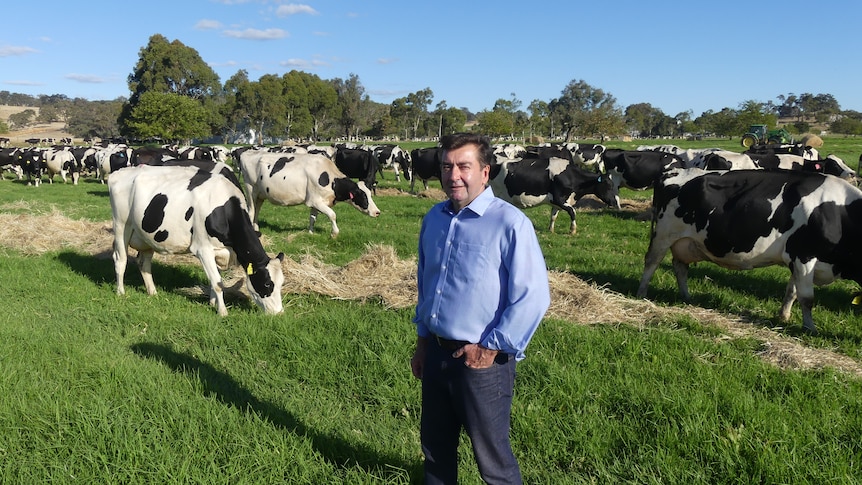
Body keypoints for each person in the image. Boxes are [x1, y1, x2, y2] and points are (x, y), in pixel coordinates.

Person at [410, 133, 551, 484]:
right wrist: (423, 342)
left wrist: (490, 348)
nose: (453, 175)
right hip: (438, 356)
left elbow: (533, 295)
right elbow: (427, 286)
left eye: (463, 166)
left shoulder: (509, 222)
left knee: (492, 460)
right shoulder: (434, 219)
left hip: (482, 361)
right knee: (435, 449)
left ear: (485, 173)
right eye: (446, 166)